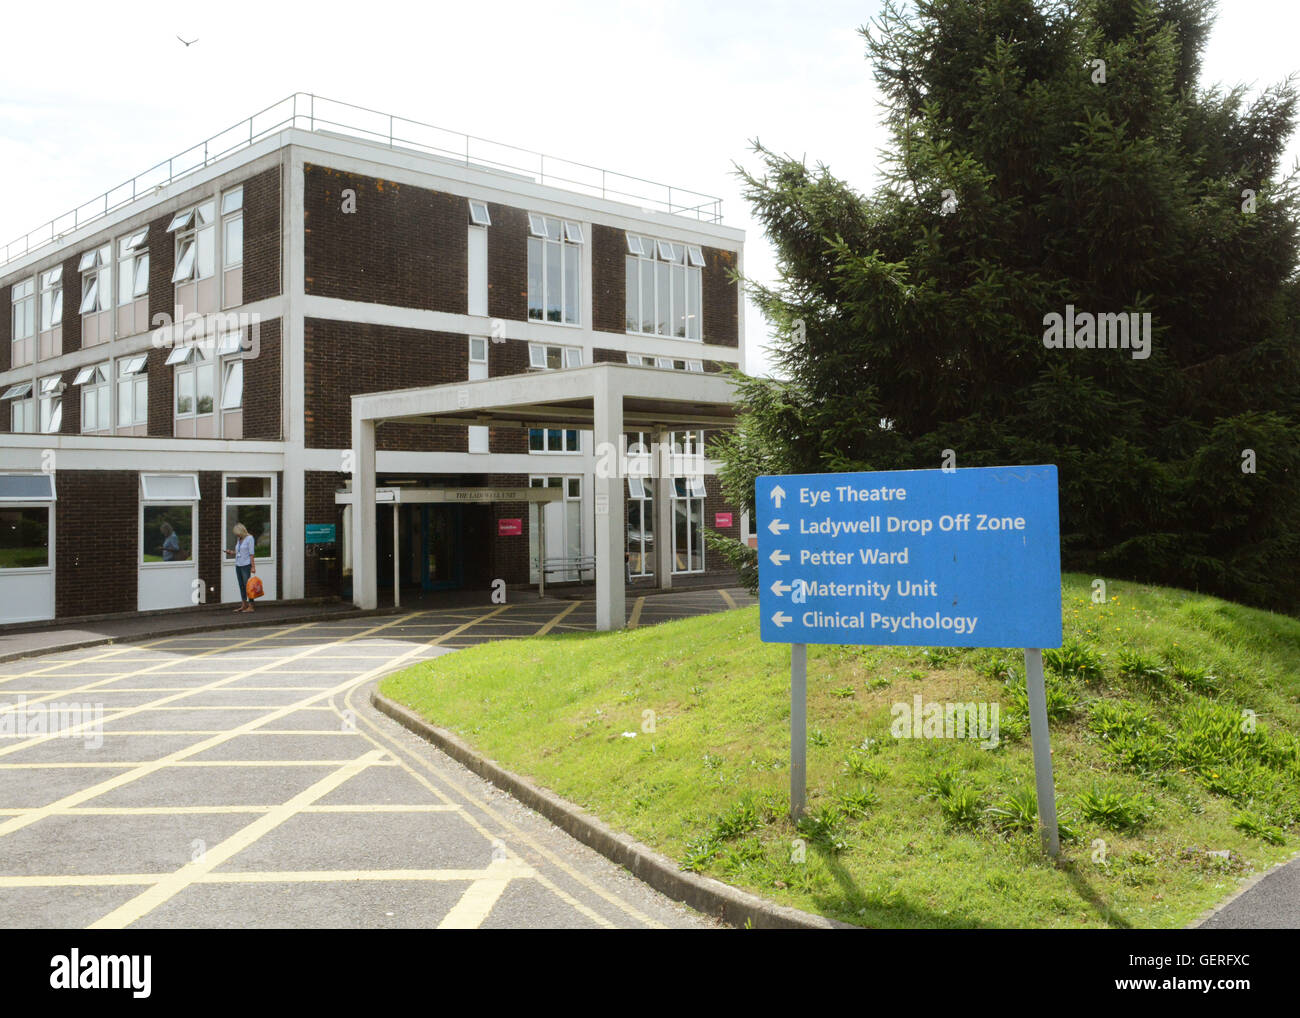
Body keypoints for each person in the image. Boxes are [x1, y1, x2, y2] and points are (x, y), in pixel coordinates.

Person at [224, 522, 257, 613]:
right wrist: (231, 552)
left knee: (248, 586)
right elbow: (239, 552)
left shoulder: (250, 538)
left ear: (241, 530)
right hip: (238, 565)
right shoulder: (239, 539)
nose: (236, 535)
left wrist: (253, 566)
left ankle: (251, 606)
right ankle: (244, 604)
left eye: (237, 532)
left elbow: (251, 553)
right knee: (241, 586)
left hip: (246, 565)